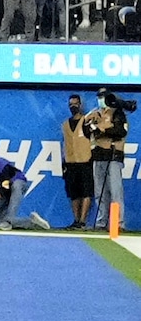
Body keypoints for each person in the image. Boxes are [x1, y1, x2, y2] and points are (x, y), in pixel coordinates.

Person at [84, 88, 129, 231]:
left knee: (115, 190)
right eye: (99, 96)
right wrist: (90, 126)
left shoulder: (117, 112)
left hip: (113, 154)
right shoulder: (94, 114)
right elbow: (86, 132)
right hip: (98, 155)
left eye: (103, 96)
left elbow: (121, 131)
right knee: (100, 192)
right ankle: (101, 223)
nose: (101, 99)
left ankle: (118, 224)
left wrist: (102, 130)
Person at [61, 94, 94, 230]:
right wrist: (63, 163)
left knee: (86, 192)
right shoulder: (65, 124)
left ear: (81, 105)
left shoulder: (86, 122)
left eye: (75, 104)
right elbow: (64, 144)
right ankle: (75, 220)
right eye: (71, 104)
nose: (73, 106)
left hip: (85, 161)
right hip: (70, 162)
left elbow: (93, 141)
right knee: (73, 193)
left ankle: (82, 221)